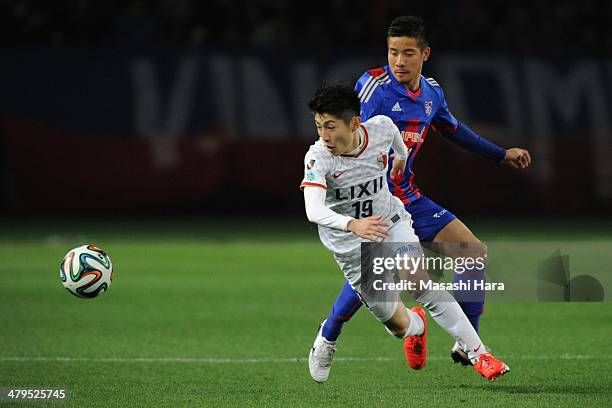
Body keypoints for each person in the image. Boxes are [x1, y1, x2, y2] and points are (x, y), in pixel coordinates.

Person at [309, 16, 531, 382]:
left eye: (408, 53)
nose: (399, 61)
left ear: (424, 54)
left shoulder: (431, 94)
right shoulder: (373, 88)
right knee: (377, 277)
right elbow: (344, 124)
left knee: (471, 253)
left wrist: (500, 154)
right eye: (393, 52)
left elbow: (454, 130)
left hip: (407, 198)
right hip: (365, 206)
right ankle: (331, 330)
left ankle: (466, 344)